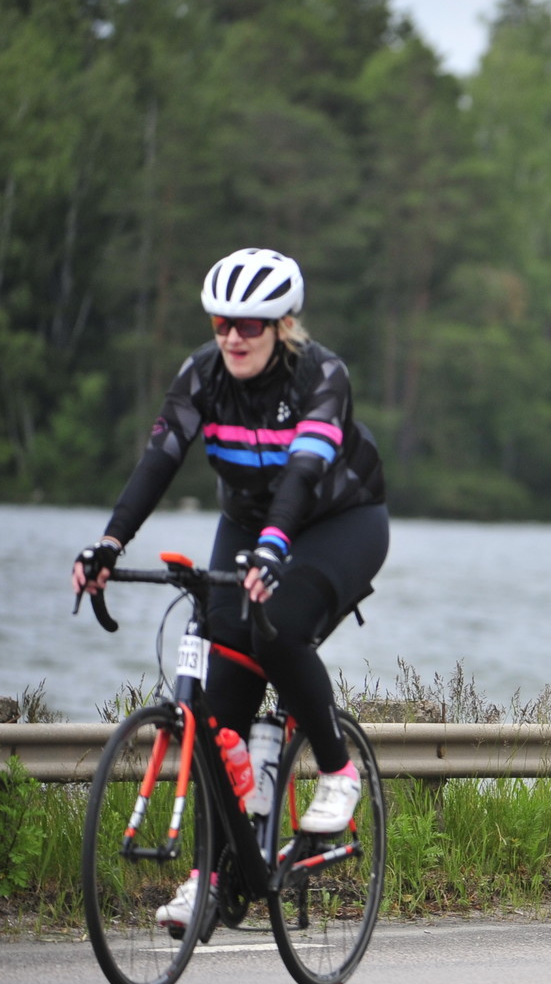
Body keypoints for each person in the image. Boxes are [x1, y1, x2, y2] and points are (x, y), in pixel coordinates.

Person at [72, 247, 389, 925]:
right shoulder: (203, 375)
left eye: (248, 325)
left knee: (280, 630)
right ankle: (212, 877)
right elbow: (160, 457)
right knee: (220, 701)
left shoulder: (322, 375)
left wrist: (274, 549)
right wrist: (110, 542)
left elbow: (304, 471)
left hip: (340, 523)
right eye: (222, 323)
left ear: (282, 326)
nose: (233, 338)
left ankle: (338, 770)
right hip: (246, 522)